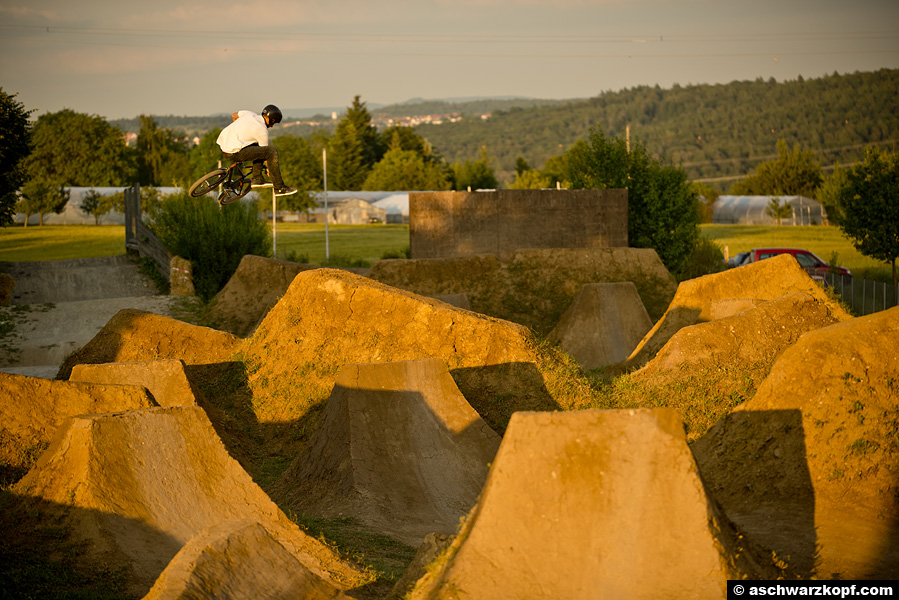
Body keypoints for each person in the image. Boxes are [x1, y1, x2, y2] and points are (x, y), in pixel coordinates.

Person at [216, 105, 297, 196]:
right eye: (273, 124)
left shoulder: (249, 114)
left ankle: (258, 178)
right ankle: (279, 188)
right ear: (272, 120)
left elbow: (234, 116)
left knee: (258, 147)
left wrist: (238, 130)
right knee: (271, 151)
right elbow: (266, 154)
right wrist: (269, 169)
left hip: (223, 145)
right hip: (233, 153)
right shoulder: (262, 130)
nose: (272, 126)